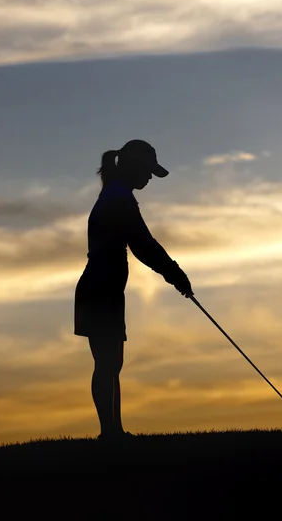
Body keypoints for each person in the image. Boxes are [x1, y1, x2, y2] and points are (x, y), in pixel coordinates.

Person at [74, 139, 193, 442]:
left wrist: (172, 273)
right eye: (148, 171)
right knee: (107, 362)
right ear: (134, 167)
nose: (150, 178)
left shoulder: (117, 194)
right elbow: (143, 244)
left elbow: (141, 245)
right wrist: (174, 273)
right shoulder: (119, 198)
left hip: (104, 285)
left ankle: (114, 430)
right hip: (101, 286)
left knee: (112, 362)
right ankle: (110, 432)